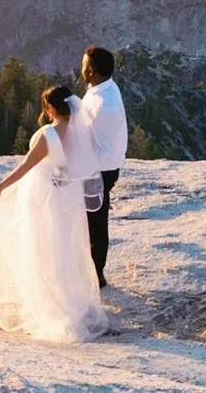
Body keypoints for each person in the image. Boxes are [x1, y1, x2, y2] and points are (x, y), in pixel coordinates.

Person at [0, 85, 109, 343]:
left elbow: (27, 165)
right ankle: (69, 303)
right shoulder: (82, 131)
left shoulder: (49, 134)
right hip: (67, 198)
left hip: (43, 199)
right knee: (63, 249)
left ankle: (47, 306)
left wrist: (0, 186)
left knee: (40, 249)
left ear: (51, 107)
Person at [76, 46, 128, 287]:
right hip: (100, 167)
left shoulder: (102, 105)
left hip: (99, 170)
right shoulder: (102, 89)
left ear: (91, 71)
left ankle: (96, 274)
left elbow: (93, 144)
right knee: (93, 218)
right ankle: (91, 270)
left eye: (84, 63)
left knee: (95, 221)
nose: (81, 66)